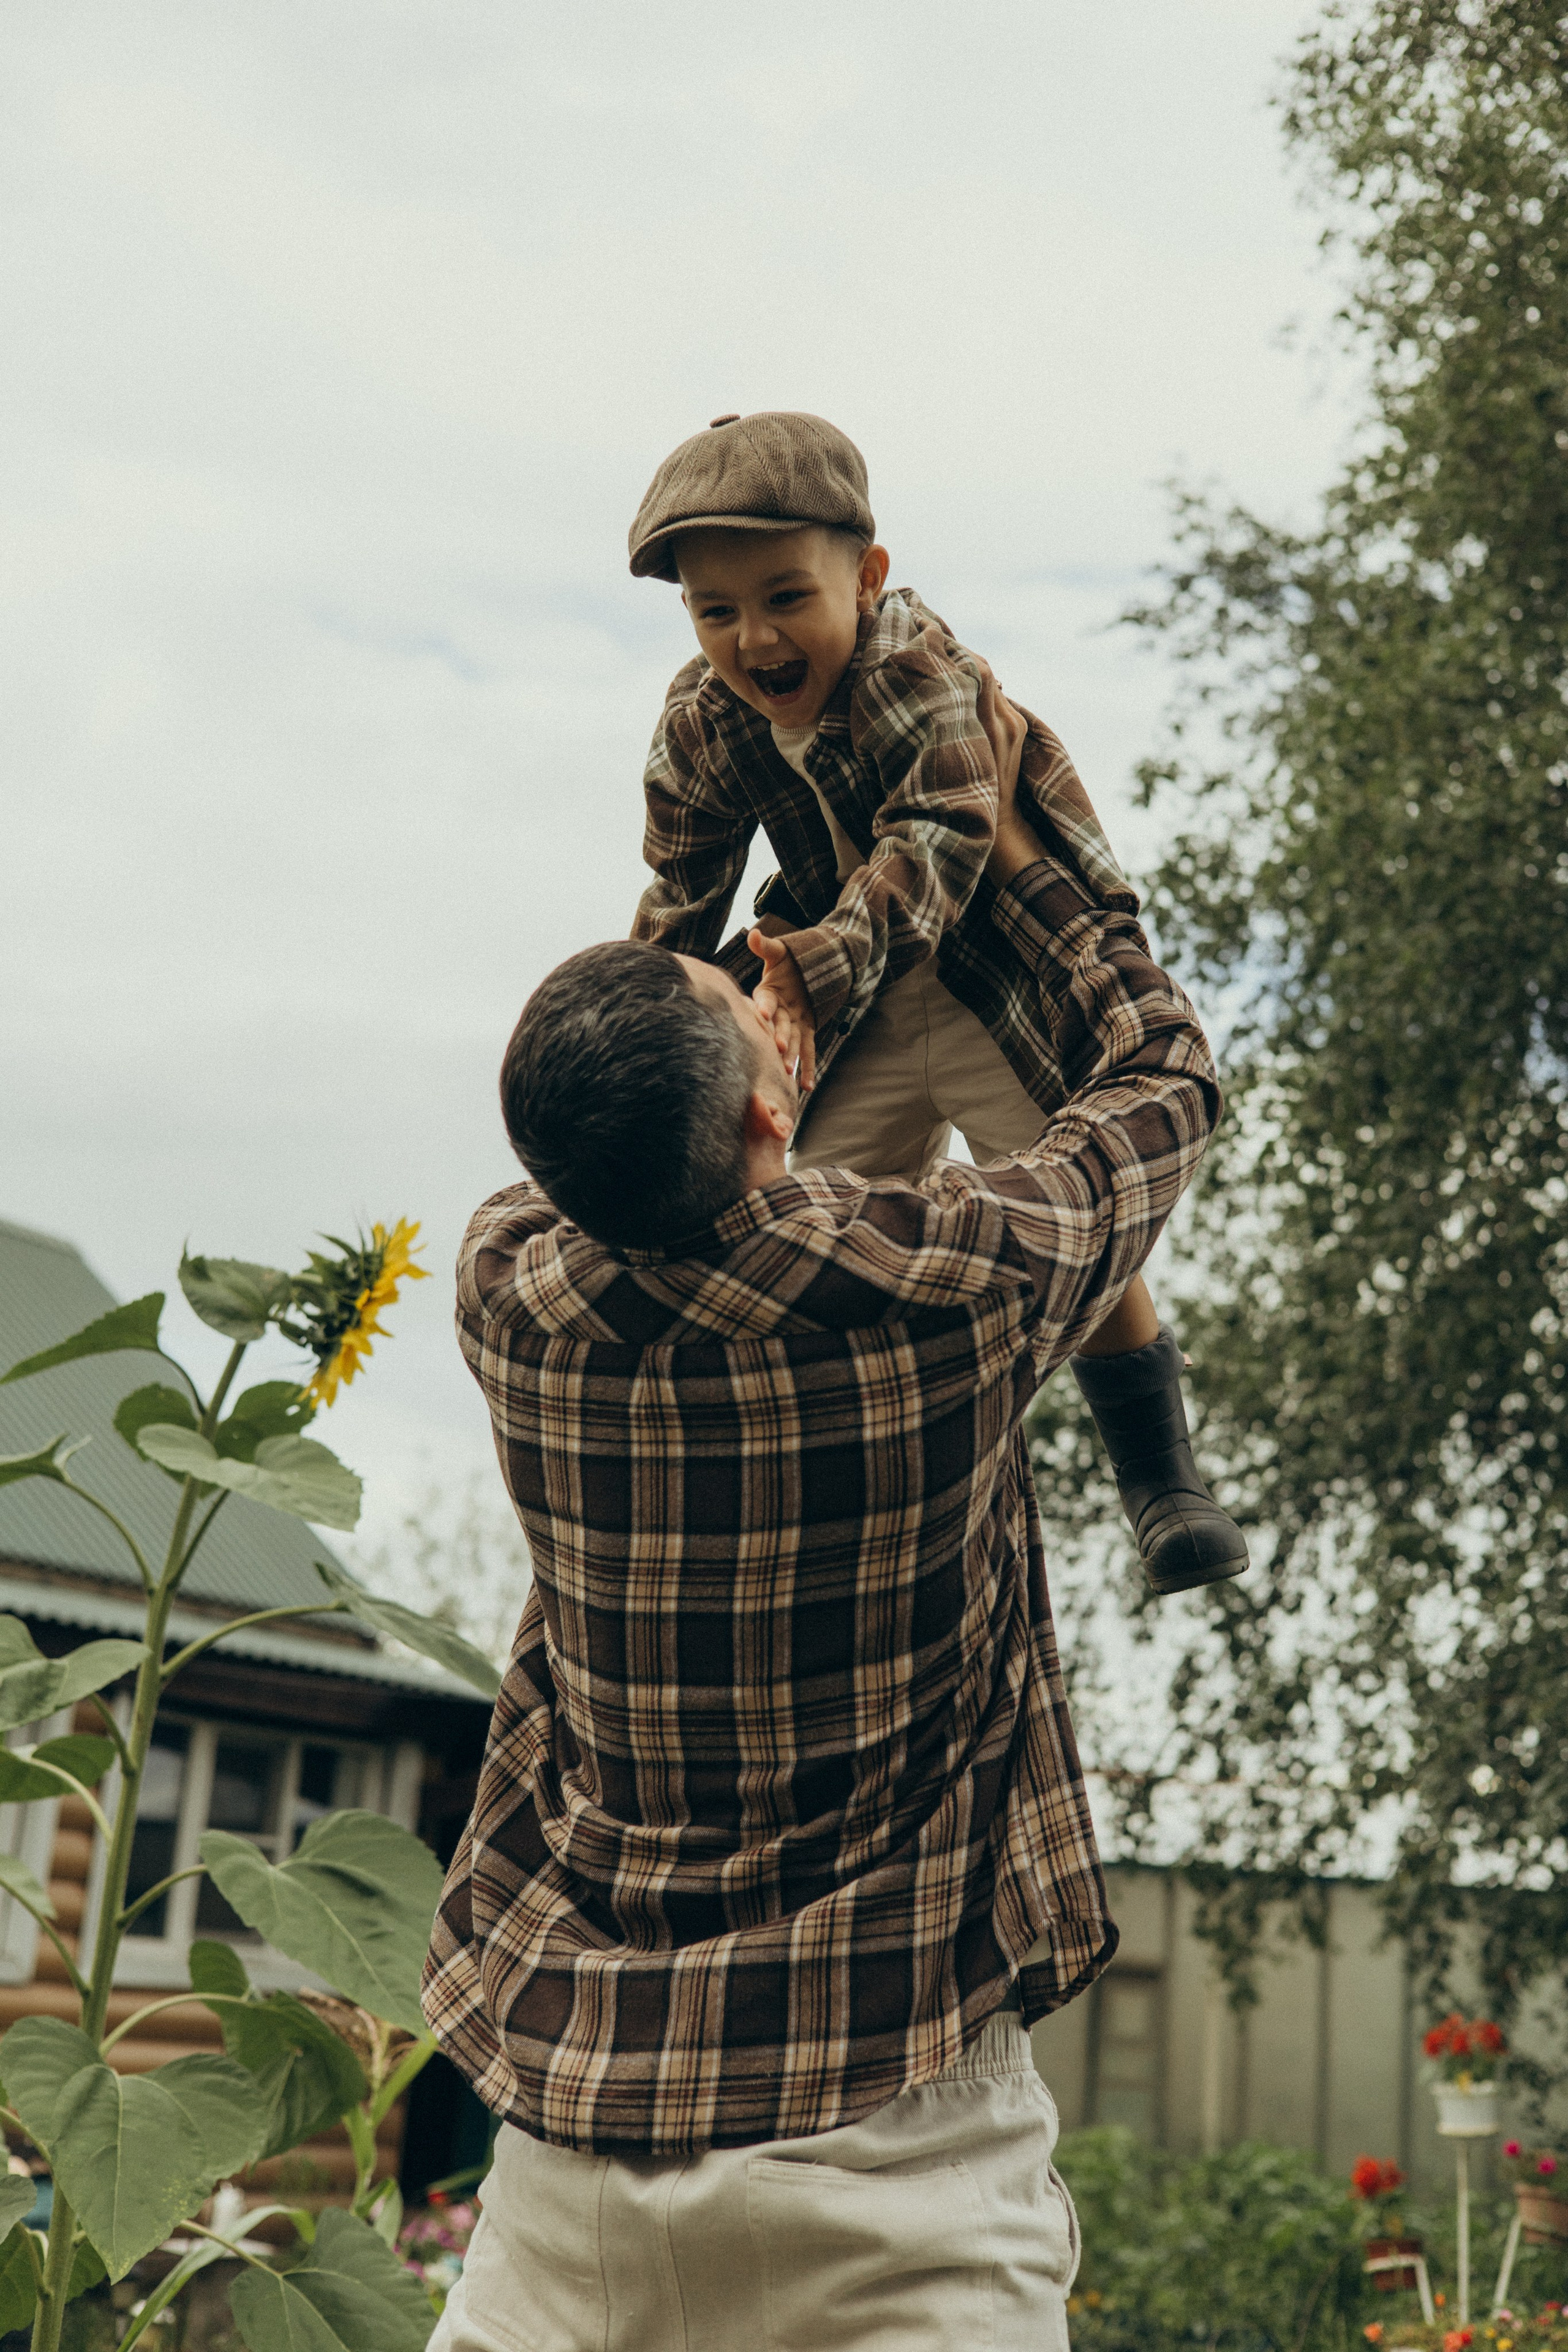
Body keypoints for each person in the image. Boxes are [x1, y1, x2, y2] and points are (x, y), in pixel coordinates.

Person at [421, 722, 1223, 2351]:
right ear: (769, 1116)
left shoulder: (507, 1290)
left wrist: (716, 1042)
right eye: (740, 1004)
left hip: (568, 2182)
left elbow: (612, 1142)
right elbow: (1162, 1090)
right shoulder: (944, 1287)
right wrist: (1026, 869)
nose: (754, 987)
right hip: (902, 2177)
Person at [626, 408, 1247, 1596]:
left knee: (1070, 1198)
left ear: (866, 579)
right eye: (716, 612)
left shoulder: (919, 673)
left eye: (785, 597)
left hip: (983, 973)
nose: (754, 638)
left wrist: (820, 960)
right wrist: (634, 1018)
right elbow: (681, 889)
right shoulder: (702, 723)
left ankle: (1160, 1476)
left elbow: (941, 836)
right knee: (796, 1212)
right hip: (845, 1008)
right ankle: (828, 1481)